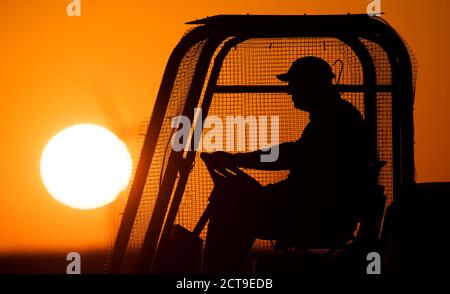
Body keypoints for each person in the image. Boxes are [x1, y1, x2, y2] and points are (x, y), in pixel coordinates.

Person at [202, 56, 372, 273]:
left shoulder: (335, 120)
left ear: (311, 85)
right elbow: (298, 157)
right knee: (233, 194)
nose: (289, 91)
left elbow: (292, 156)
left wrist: (237, 159)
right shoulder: (333, 116)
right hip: (314, 206)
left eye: (294, 85)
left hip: (314, 212)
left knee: (228, 205)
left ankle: (216, 275)